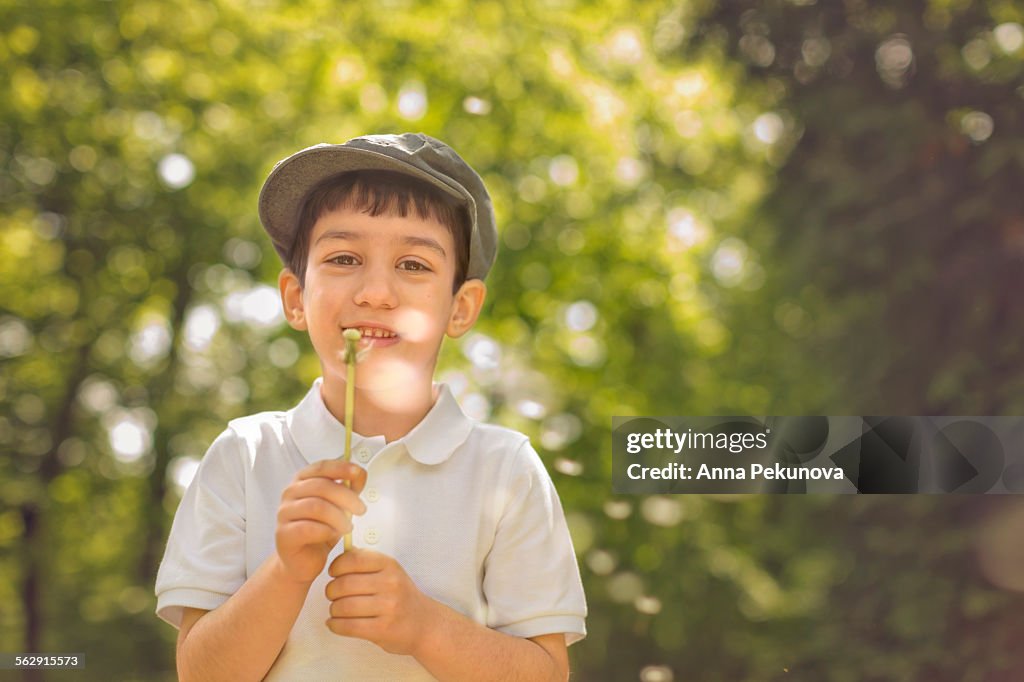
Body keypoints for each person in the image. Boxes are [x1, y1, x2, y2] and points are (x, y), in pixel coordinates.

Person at [154, 132, 587, 680]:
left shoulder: (505, 468)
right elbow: (201, 673)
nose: (376, 291)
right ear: (294, 297)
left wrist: (426, 627)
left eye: (413, 265)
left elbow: (547, 672)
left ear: (461, 308)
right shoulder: (244, 456)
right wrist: (287, 571)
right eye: (343, 257)